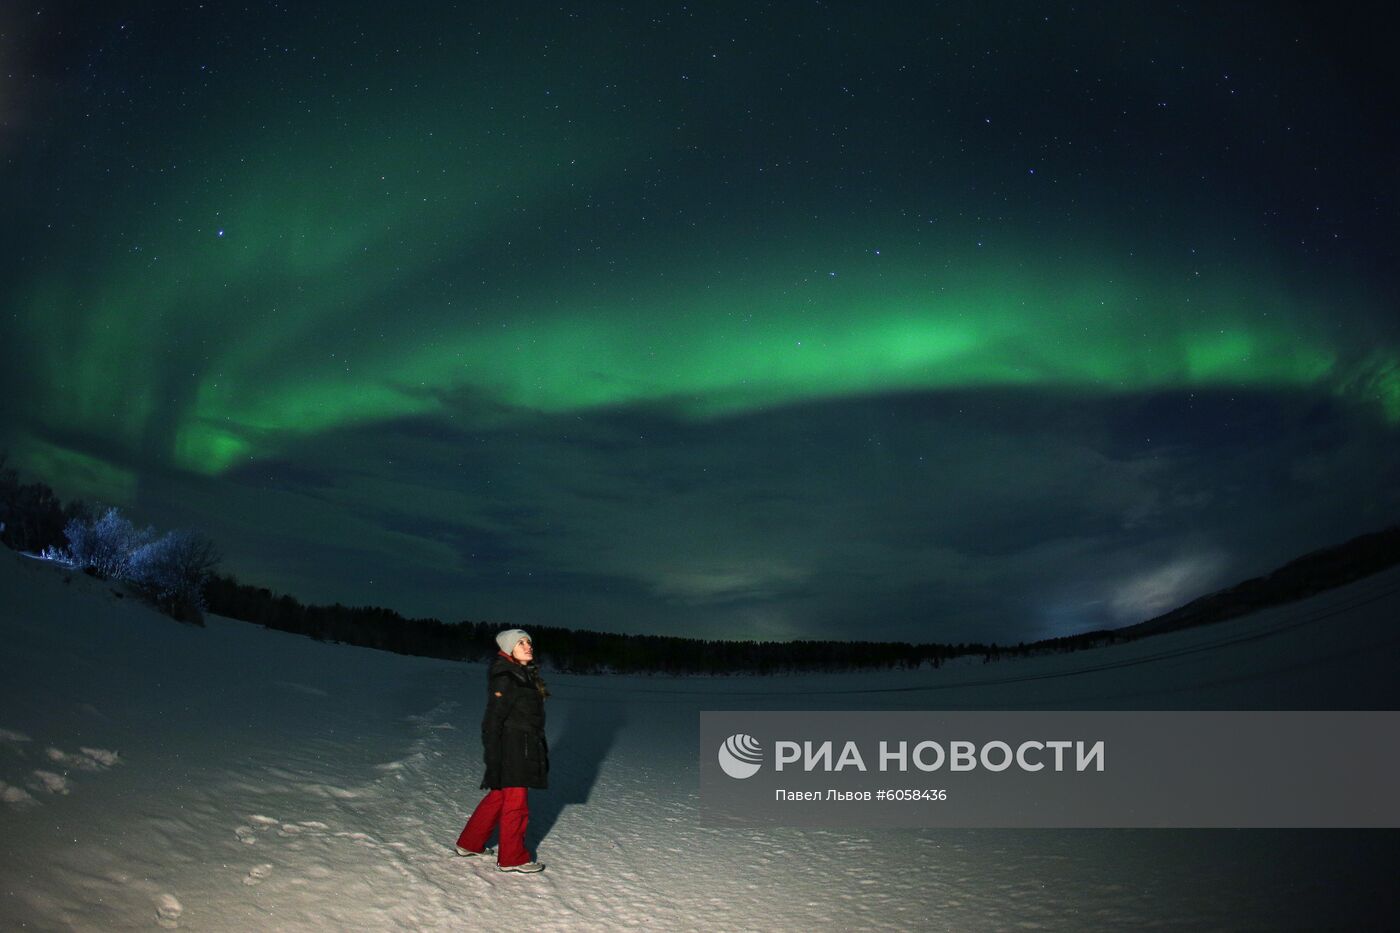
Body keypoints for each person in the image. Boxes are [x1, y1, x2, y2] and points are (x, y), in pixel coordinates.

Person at [454, 628, 550, 873]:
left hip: (518, 745)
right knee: (516, 805)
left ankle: (470, 843)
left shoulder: (520, 674)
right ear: (509, 649)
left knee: (498, 798)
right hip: (515, 748)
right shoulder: (507, 676)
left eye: (528, 642)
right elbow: (493, 719)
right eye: (520, 643)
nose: (528, 646)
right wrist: (494, 756)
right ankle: (512, 858)